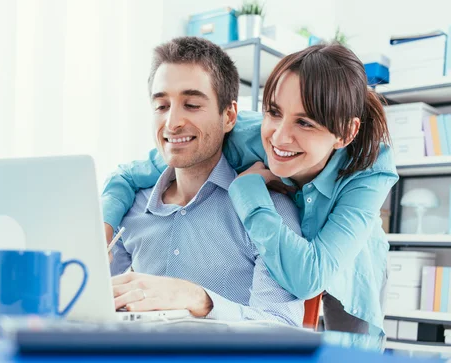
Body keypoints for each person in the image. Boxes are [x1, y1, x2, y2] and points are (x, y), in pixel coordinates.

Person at [101, 39, 398, 336]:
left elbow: (308, 280)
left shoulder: (370, 171)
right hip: (278, 245)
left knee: (355, 350)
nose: (279, 137)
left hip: (348, 257)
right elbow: (133, 173)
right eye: (274, 112)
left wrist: (245, 192)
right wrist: (101, 227)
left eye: (305, 123)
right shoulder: (243, 135)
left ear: (346, 133)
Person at [109, 36, 304, 325]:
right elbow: (97, 306)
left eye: (191, 104)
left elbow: (282, 329)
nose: (172, 122)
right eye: (162, 106)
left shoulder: (268, 212)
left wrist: (200, 299)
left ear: (229, 116)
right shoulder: (131, 209)